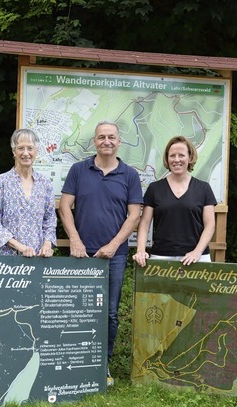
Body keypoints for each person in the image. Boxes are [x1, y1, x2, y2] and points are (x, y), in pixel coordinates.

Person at [59, 120, 143, 386]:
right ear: (94, 141)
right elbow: (64, 207)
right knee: (75, 312)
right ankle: (73, 363)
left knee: (109, 313)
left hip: (114, 256)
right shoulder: (78, 170)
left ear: (119, 142)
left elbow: (134, 215)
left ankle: (102, 364)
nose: (106, 141)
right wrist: (74, 239)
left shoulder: (129, 175)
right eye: (101, 137)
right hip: (80, 254)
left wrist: (114, 244)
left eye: (112, 137)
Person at [133, 135, 217, 267]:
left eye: (181, 155)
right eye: (172, 155)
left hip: (197, 257)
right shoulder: (154, 188)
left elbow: (210, 225)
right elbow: (144, 224)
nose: (176, 160)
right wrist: (140, 250)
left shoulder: (204, 188)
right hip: (161, 256)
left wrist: (197, 252)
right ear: (167, 158)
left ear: (190, 158)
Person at [0, 128, 56, 257]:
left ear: (36, 151)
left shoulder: (45, 184)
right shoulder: (0, 182)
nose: (25, 153)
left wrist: (47, 245)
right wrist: (20, 247)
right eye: (20, 148)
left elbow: (50, 220)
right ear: (14, 151)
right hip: (7, 259)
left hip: (38, 258)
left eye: (30, 148)